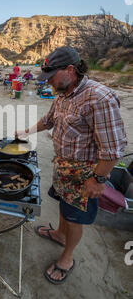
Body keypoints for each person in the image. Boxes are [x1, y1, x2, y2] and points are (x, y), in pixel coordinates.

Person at [16, 46, 127, 285]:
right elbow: (49, 120)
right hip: (64, 167)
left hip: (86, 173)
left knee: (76, 217)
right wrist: (26, 131)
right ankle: (58, 234)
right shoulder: (64, 93)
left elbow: (113, 148)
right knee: (65, 206)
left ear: (69, 70)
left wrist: (98, 180)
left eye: (51, 77)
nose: (49, 84)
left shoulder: (100, 97)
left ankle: (67, 258)